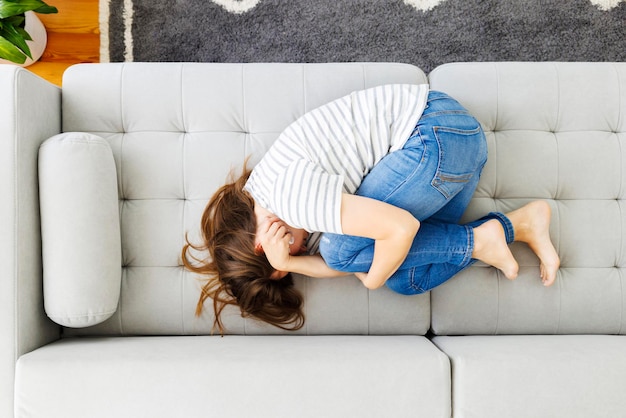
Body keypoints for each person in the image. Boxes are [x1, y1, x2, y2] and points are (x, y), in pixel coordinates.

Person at [182, 84, 560, 333]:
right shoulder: (271, 199)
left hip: (435, 136)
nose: (299, 250)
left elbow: (396, 231)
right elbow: (342, 263)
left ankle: (482, 238)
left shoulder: (289, 200)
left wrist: (371, 279)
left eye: (288, 256)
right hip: (453, 151)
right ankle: (516, 226)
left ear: (263, 245)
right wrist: (295, 263)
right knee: (405, 279)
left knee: (346, 252)